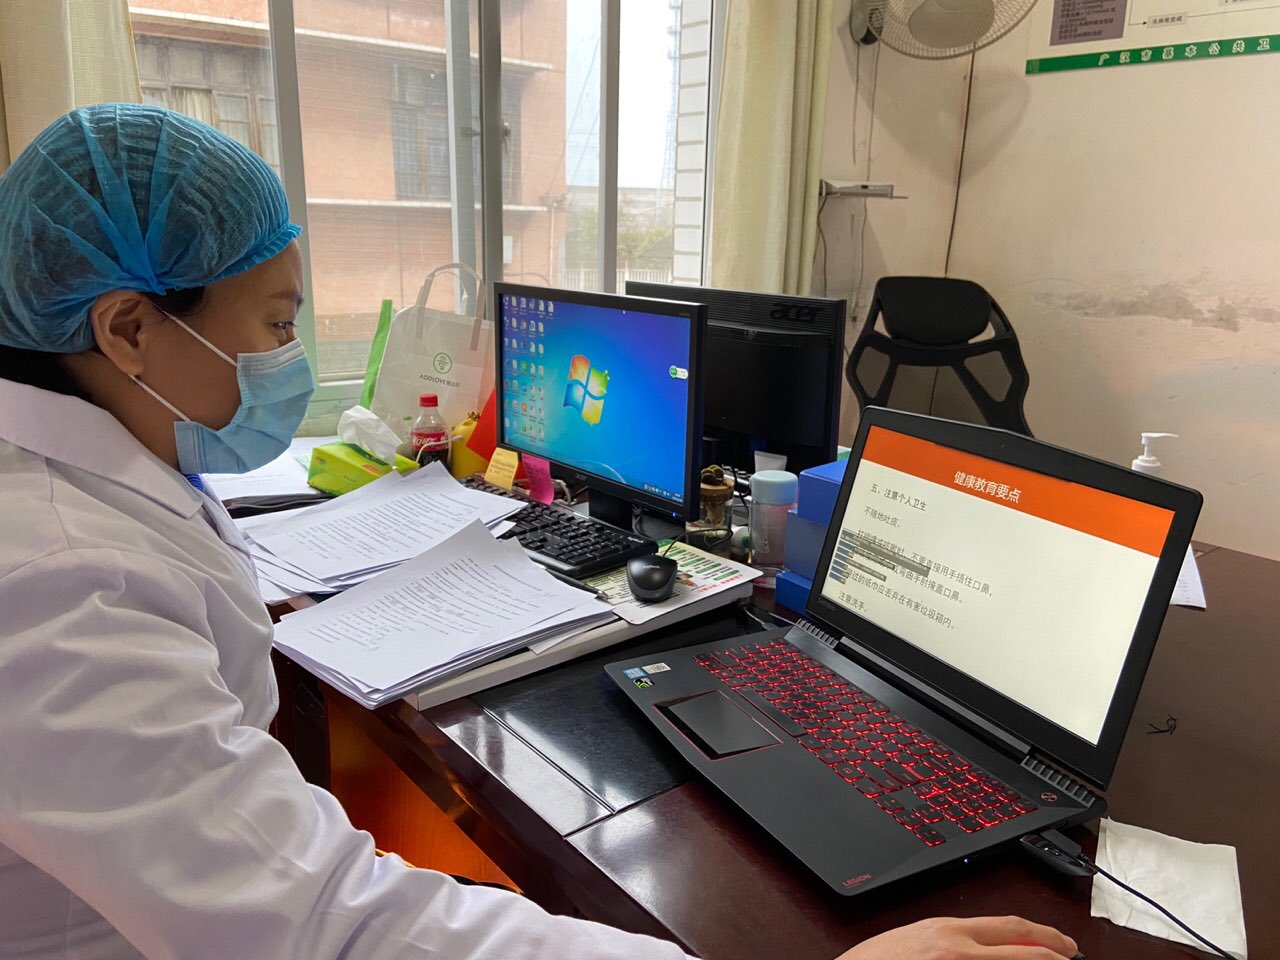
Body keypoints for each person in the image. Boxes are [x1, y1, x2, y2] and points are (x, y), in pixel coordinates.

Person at [0, 104, 1080, 960]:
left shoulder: (94, 481)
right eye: (278, 325)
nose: (290, 354)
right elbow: (321, 924)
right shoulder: (62, 583)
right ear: (128, 328)